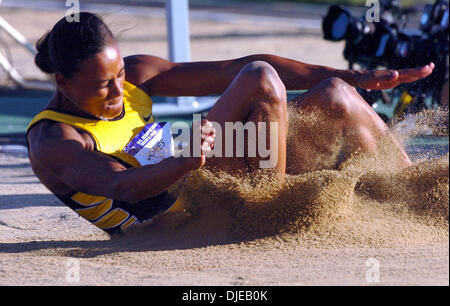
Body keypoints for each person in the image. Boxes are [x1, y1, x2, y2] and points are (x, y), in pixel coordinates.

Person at [27, 12, 435, 235]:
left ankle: (424, 194)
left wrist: (355, 77)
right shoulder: (54, 140)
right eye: (103, 86)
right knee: (257, 78)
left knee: (335, 94)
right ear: (62, 81)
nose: (118, 91)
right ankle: (273, 209)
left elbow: (230, 68)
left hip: (211, 181)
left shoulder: (134, 76)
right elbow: (122, 186)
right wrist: (184, 162)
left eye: (119, 76)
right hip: (176, 222)